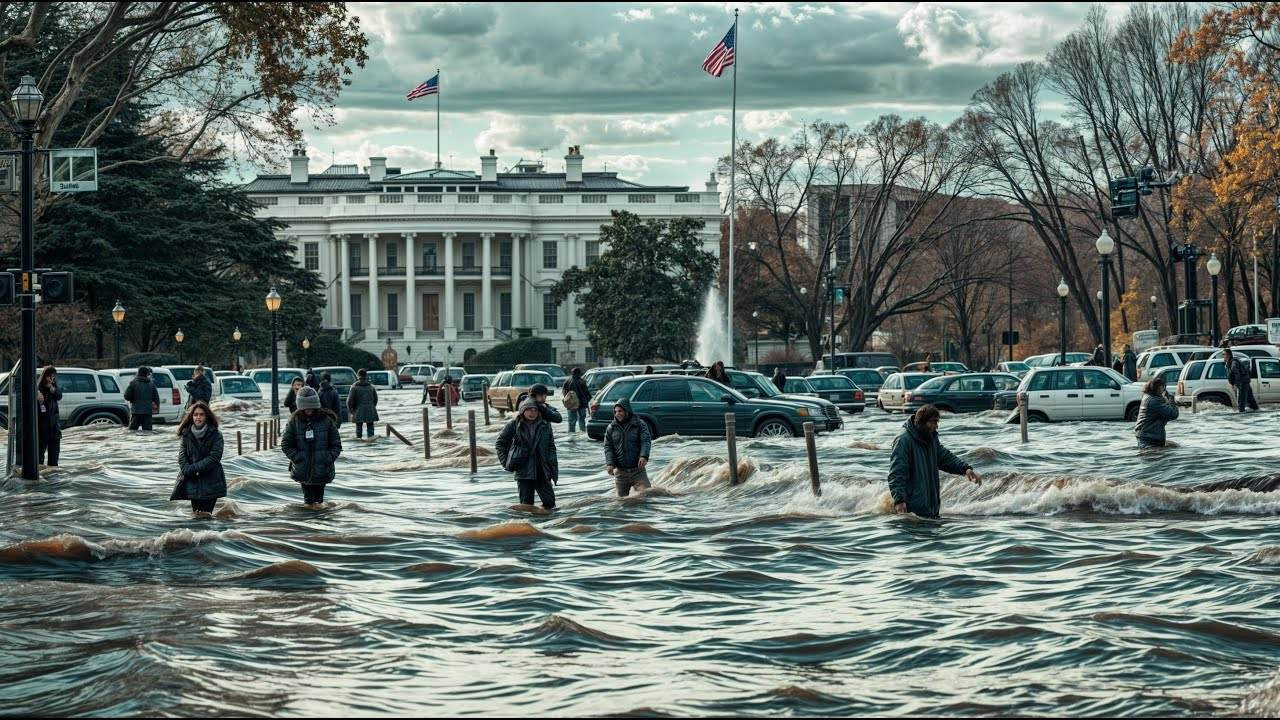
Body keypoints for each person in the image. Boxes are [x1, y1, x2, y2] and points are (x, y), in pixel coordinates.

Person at [887, 404, 982, 518]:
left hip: (931, 510)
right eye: (933, 422)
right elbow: (896, 474)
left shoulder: (931, 438)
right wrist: (899, 500)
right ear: (922, 422)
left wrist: (965, 469)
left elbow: (945, 458)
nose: (936, 426)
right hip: (912, 512)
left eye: (937, 422)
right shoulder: (903, 441)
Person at [281, 387, 343, 507]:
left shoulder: (326, 420)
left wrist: (328, 458)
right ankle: (308, 524)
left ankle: (319, 523)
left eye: (311, 407)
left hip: (323, 469)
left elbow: (336, 444)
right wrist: (298, 457)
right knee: (308, 502)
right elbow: (286, 444)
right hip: (303, 469)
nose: (308, 410)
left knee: (319, 502)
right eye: (305, 407)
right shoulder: (294, 421)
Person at [495, 396, 558, 509]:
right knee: (526, 506)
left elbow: (551, 447)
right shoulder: (514, 425)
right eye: (529, 409)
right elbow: (500, 443)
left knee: (550, 503)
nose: (532, 413)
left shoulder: (545, 425)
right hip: (523, 470)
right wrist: (505, 462)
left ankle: (546, 526)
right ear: (522, 410)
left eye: (535, 410)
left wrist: (553, 469)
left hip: (542, 470)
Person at [169, 400, 226, 515]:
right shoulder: (186, 434)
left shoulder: (216, 435)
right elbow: (182, 456)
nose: (198, 417)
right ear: (191, 417)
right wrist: (186, 470)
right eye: (195, 415)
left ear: (206, 416)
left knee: (206, 516)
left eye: (201, 414)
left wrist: (193, 468)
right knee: (197, 515)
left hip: (211, 482)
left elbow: (214, 457)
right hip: (192, 482)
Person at [604, 397, 652, 497]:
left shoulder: (640, 425)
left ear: (627, 411)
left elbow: (645, 441)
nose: (617, 414)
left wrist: (644, 456)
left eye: (620, 411)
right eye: (615, 411)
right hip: (620, 473)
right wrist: (609, 463)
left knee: (646, 496)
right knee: (621, 503)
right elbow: (608, 447)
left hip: (638, 471)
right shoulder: (611, 428)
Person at [1134, 376, 1178, 448]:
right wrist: (1171, 400)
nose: (1164, 389)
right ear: (1157, 388)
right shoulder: (1154, 401)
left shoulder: (1148, 396)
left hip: (1146, 436)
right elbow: (1174, 414)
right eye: (1163, 387)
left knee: (1174, 446)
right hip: (1149, 438)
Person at [37, 365, 62, 466]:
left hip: (54, 428)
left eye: (53, 376)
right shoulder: (38, 388)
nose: (51, 378)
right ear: (44, 376)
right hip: (42, 428)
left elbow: (59, 396)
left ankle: (53, 478)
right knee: (39, 457)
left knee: (54, 458)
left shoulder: (53, 388)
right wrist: (38, 393)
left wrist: (51, 387)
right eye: (49, 376)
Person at [124, 366, 161, 431]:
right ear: (147, 374)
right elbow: (156, 398)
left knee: (132, 431)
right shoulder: (151, 384)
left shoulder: (133, 383)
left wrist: (133, 399)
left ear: (138, 373)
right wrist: (157, 409)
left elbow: (127, 396)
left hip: (136, 411)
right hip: (147, 412)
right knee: (148, 432)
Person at [1223, 347, 1259, 412]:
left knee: (1241, 399)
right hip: (1245, 381)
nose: (1223, 356)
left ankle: (1241, 413)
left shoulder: (1234, 361)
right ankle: (1255, 410)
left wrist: (1237, 383)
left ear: (1228, 355)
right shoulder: (1228, 362)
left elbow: (1234, 371)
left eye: (1224, 354)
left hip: (1242, 382)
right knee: (1250, 398)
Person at [347, 368, 379, 438]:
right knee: (371, 431)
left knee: (358, 431)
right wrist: (372, 407)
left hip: (358, 411)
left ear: (358, 376)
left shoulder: (354, 387)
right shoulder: (371, 387)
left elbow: (349, 402)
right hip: (370, 410)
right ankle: (371, 444)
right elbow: (376, 399)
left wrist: (352, 412)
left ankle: (360, 445)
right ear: (366, 376)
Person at [562, 368, 591, 433]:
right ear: (580, 374)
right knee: (581, 420)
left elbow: (564, 391)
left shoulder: (567, 381)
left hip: (571, 404)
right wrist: (588, 400)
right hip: (582, 404)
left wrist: (567, 400)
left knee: (571, 421)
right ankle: (583, 433)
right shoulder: (582, 381)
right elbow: (587, 393)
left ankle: (571, 433)